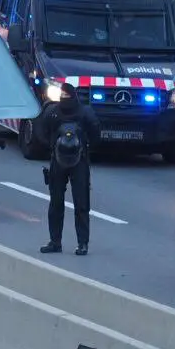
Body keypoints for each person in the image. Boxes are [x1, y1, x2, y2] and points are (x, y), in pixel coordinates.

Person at [38, 88, 101, 254]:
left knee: (81, 203)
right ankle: (55, 242)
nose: (64, 98)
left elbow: (95, 133)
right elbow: (42, 131)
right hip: (57, 161)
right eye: (62, 95)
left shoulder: (84, 113)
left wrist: (86, 148)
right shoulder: (52, 112)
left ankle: (83, 243)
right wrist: (52, 147)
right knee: (56, 203)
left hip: (79, 161)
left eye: (67, 95)